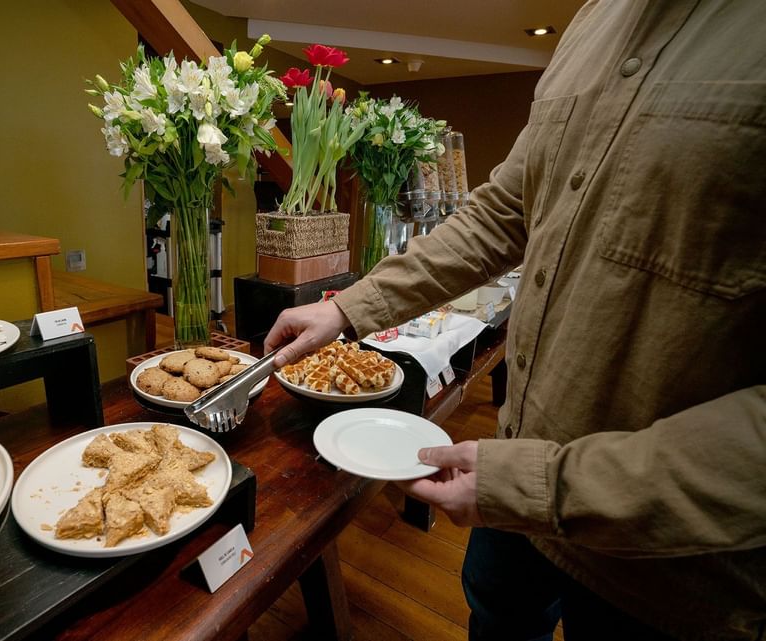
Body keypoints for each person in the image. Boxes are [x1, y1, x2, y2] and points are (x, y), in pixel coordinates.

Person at [264, 1, 766, 639]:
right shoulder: (594, 20)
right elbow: (504, 211)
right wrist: (346, 307)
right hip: (514, 475)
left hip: (670, 573)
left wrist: (544, 487)